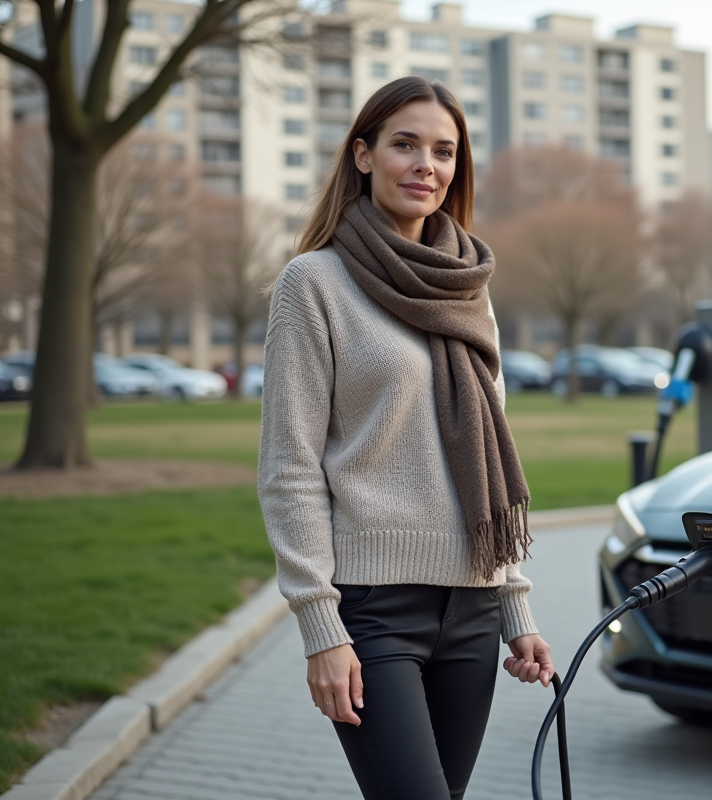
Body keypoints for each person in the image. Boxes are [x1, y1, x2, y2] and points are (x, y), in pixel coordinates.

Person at [257, 76, 554, 800]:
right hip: (373, 611)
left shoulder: (467, 287)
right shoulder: (314, 283)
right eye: (406, 145)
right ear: (363, 154)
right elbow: (290, 466)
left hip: (475, 610)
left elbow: (488, 448)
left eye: (445, 151)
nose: (428, 164)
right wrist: (320, 628)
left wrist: (515, 606)